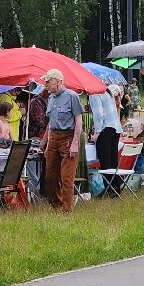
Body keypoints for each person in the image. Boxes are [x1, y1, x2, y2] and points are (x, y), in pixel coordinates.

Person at [41, 69, 84, 210]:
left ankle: (67, 209)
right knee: (50, 176)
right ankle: (55, 206)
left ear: (58, 82)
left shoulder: (72, 96)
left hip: (68, 138)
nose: (45, 84)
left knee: (67, 177)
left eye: (48, 81)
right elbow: (50, 123)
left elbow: (79, 121)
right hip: (54, 139)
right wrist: (45, 143)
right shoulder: (51, 98)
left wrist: (75, 143)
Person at [88, 85, 122, 169]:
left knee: (105, 164)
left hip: (105, 129)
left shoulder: (94, 94)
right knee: (113, 163)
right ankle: (114, 182)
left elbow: (98, 115)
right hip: (115, 128)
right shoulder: (107, 91)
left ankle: (108, 182)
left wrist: (97, 133)